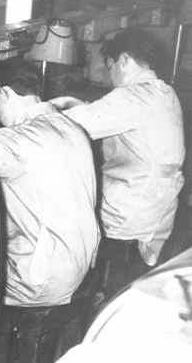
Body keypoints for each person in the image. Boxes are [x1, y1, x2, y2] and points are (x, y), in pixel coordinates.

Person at [50, 27, 185, 296]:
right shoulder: (164, 92)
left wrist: (34, 112)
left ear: (124, 60)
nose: (111, 77)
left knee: (58, 221)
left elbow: (66, 128)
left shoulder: (131, 97)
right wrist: (83, 105)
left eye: (111, 68)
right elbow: (119, 117)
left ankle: (77, 302)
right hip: (157, 209)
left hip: (131, 211)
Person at [0, 57, 100, 307]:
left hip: (45, 280)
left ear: (5, 93)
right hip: (81, 262)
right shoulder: (71, 126)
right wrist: (1, 138)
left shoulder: (19, 141)